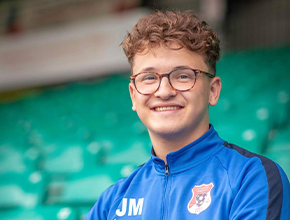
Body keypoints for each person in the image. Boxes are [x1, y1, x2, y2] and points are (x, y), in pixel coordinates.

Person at [85, 10, 290, 220]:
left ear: (213, 91)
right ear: (133, 95)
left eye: (183, 76)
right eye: (148, 78)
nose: (164, 91)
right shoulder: (113, 200)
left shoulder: (253, 178)